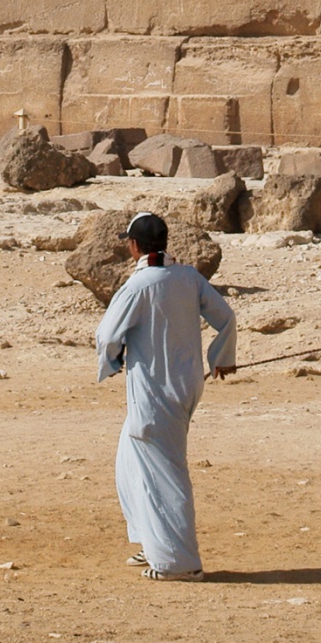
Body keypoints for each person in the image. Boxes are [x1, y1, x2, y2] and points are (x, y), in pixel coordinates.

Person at [96, 211, 237, 581]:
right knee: (129, 461)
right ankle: (152, 541)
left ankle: (179, 564)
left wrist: (113, 360)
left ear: (134, 246)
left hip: (154, 394)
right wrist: (221, 358)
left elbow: (107, 336)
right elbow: (226, 317)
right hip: (186, 386)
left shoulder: (138, 285)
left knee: (166, 471)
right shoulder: (188, 277)